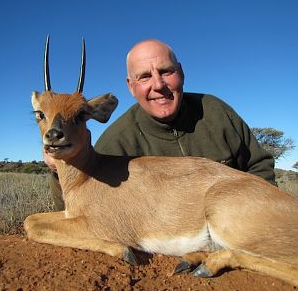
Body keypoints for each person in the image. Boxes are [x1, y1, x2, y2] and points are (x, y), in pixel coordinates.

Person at [48, 39, 275, 210]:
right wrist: (60, 169)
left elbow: (259, 166)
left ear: (181, 72)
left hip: (236, 226)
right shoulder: (117, 141)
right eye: (144, 76)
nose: (158, 84)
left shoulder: (216, 111)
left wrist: (256, 214)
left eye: (166, 71)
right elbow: (80, 208)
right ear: (130, 86)